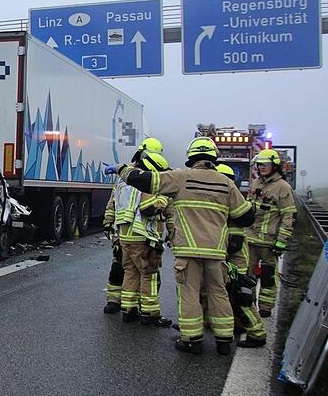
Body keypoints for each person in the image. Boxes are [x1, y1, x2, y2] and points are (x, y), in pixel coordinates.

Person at [107, 137, 255, 355]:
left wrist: (120, 168)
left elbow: (145, 180)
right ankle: (224, 340)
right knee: (218, 292)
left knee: (189, 292)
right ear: (213, 157)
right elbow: (246, 217)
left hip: (188, 249)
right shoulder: (226, 184)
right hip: (216, 251)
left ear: (191, 157)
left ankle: (192, 340)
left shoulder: (180, 178)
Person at [104, 147, 173, 327]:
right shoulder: (146, 184)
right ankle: (150, 314)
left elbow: (113, 205)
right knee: (149, 275)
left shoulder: (123, 183)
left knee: (130, 272)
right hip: (143, 237)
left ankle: (128, 310)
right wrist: (164, 199)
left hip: (125, 237)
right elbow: (148, 208)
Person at [215, 164, 266, 348]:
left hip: (234, 253)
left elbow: (239, 227)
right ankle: (228, 325)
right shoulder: (225, 196)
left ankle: (257, 333)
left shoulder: (231, 198)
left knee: (239, 293)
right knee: (218, 291)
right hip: (223, 251)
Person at [246, 148, 296, 317]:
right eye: (259, 164)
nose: (261, 167)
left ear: (274, 166)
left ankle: (266, 308)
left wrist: (282, 241)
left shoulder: (282, 187)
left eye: (265, 164)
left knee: (268, 278)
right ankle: (248, 306)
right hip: (250, 240)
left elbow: (288, 216)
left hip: (269, 242)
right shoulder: (256, 183)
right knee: (246, 276)